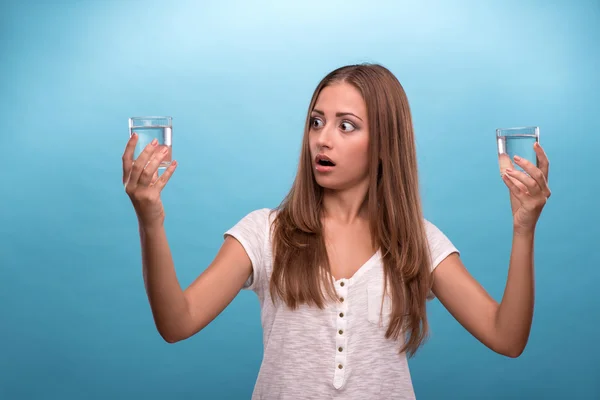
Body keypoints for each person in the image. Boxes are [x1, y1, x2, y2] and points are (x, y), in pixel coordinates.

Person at [122, 64, 551, 399]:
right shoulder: (264, 233)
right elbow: (176, 323)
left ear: (384, 141)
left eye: (346, 125)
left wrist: (524, 229)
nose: (322, 140)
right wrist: (150, 219)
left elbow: (506, 337)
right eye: (316, 122)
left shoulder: (415, 243)